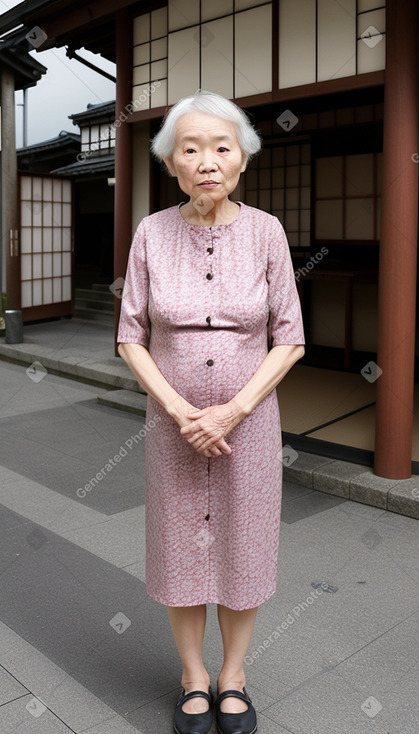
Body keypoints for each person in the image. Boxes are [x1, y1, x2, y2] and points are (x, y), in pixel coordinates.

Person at [117, 89, 305, 734]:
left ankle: (234, 677)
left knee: (243, 548)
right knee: (181, 551)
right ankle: (194, 676)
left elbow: (290, 337)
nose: (206, 160)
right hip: (173, 431)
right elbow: (129, 336)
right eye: (189, 148)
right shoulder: (151, 233)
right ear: (171, 162)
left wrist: (232, 411)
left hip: (248, 428)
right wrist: (179, 410)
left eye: (221, 147)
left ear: (242, 159)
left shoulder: (267, 233)